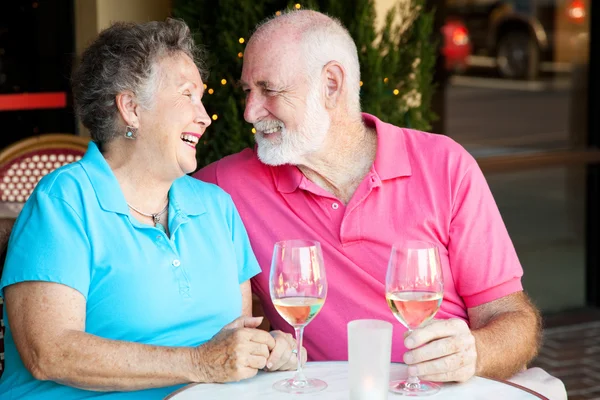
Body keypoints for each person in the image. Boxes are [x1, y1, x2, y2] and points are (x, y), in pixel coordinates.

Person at [194, 10, 543, 384]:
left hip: (444, 391)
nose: (250, 112)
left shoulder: (444, 164)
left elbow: (516, 321)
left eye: (269, 90)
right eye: (248, 91)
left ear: (331, 84)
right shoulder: (225, 186)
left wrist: (475, 352)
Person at [0, 19, 303, 400]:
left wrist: (267, 349)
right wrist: (199, 362)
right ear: (131, 109)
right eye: (187, 95)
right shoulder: (64, 202)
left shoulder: (215, 207)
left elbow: (230, 341)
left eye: (202, 97)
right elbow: (50, 353)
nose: (204, 116)